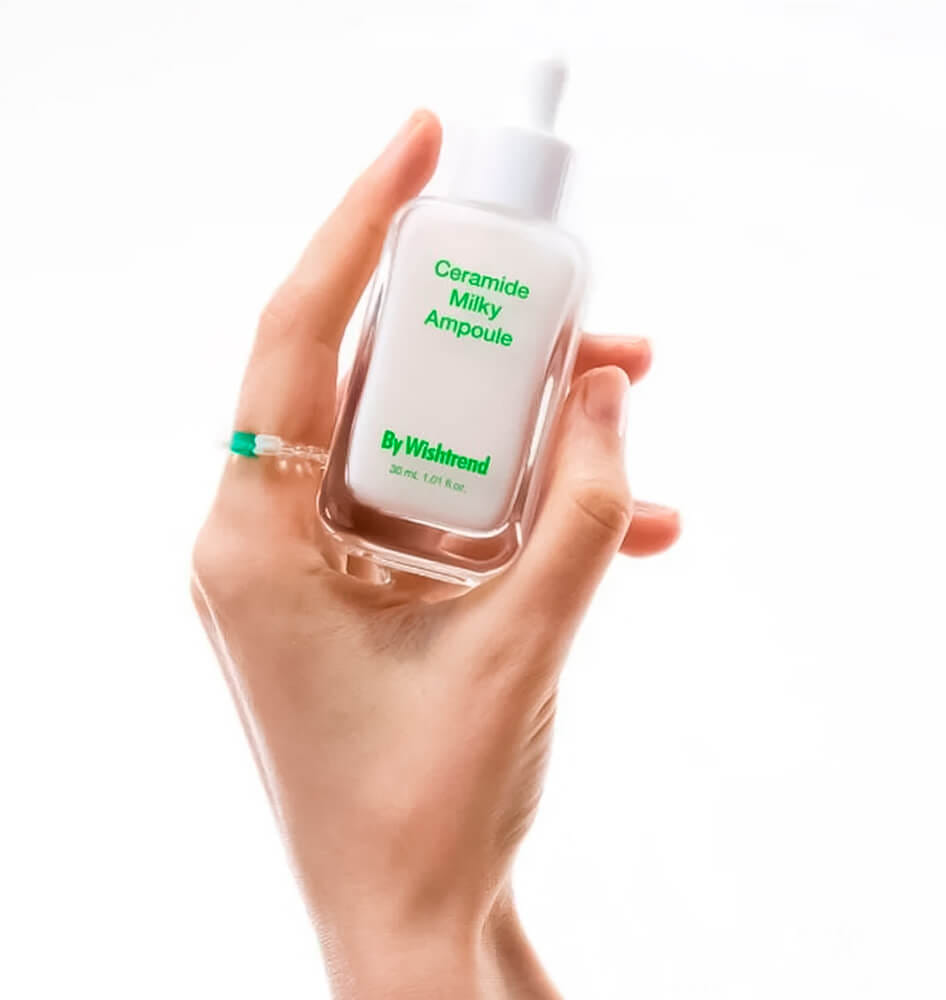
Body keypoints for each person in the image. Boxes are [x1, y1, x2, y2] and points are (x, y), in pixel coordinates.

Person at [192, 110, 681, 999]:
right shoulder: (436, 233)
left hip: (453, 516)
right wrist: (426, 919)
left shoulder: (551, 259)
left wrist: (400, 919)